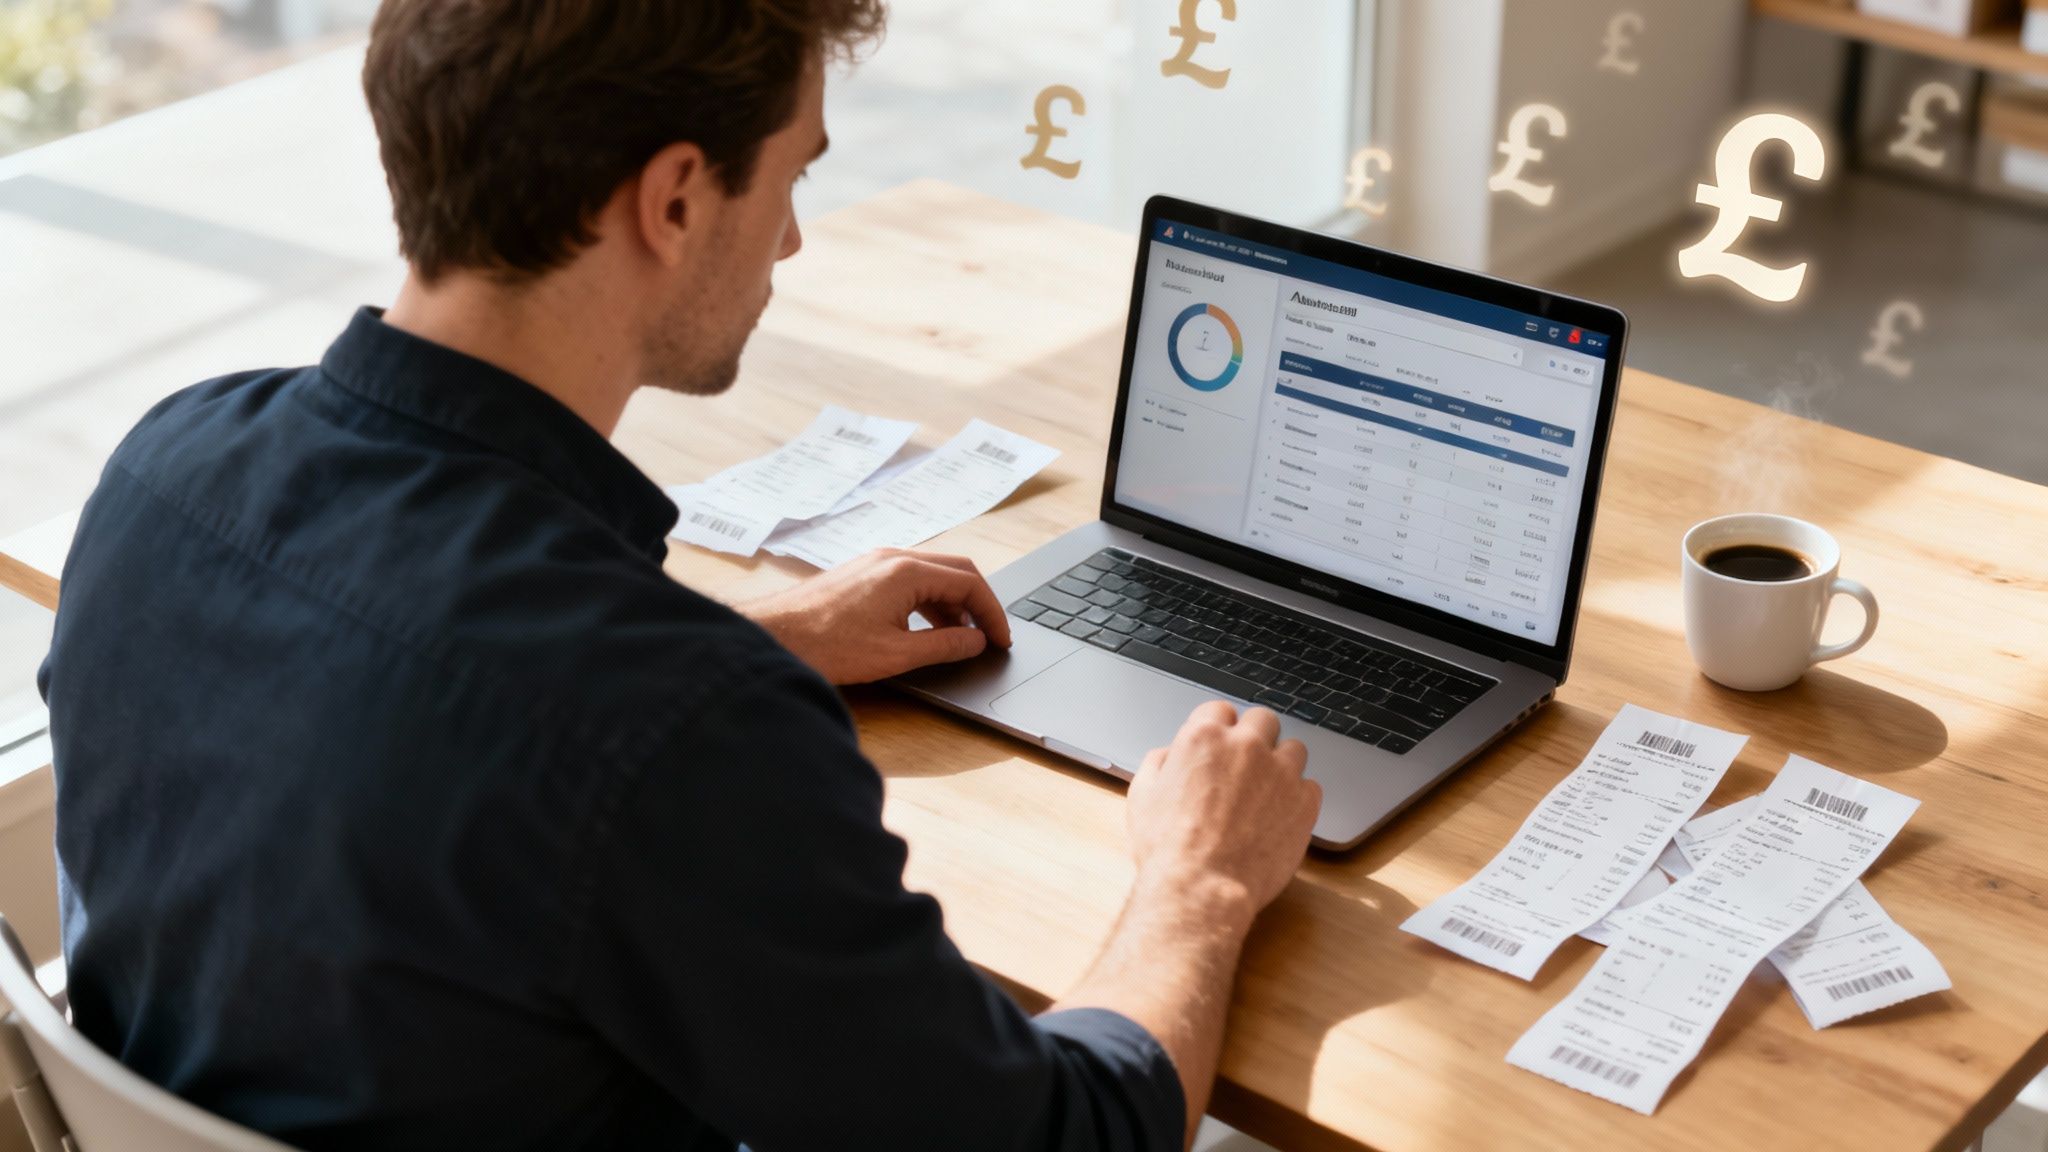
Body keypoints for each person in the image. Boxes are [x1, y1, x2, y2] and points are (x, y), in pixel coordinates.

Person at [37, 2, 1322, 1149]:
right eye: (789, 177)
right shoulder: (672, 730)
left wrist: (755, 633)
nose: (795, 241)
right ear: (672, 200)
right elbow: (1065, 1138)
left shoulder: (169, 463)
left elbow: (413, 675)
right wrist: (1197, 879)